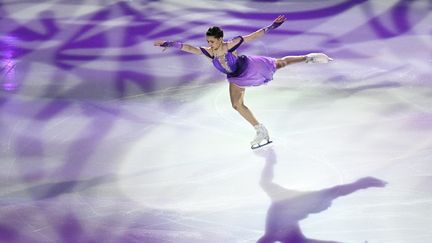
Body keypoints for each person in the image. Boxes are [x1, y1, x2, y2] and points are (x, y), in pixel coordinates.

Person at [154, 15, 333, 149]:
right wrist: (170, 44)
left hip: (250, 68)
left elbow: (252, 36)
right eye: (208, 41)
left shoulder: (230, 45)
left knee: (280, 63)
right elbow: (189, 48)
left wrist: (271, 26)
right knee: (237, 105)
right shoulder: (209, 52)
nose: (210, 44)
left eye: (212, 41)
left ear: (220, 39)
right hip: (237, 78)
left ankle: (308, 58)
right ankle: (260, 129)